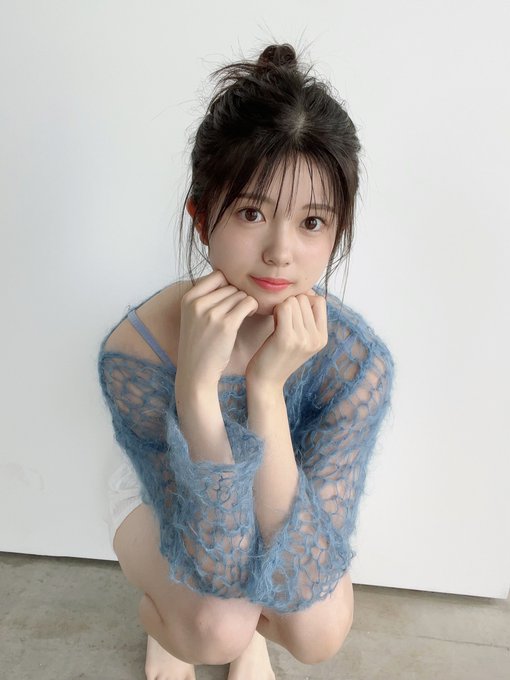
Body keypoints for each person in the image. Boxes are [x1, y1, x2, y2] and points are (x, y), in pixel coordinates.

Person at [97, 42, 395, 680]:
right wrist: (196, 391)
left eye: (312, 222)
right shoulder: (137, 349)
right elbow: (214, 561)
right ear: (202, 215)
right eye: (253, 212)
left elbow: (304, 573)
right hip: (165, 501)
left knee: (317, 629)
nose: (280, 252)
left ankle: (241, 633)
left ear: (338, 229)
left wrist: (266, 390)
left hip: (284, 497)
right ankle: (171, 624)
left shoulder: (356, 364)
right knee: (217, 625)